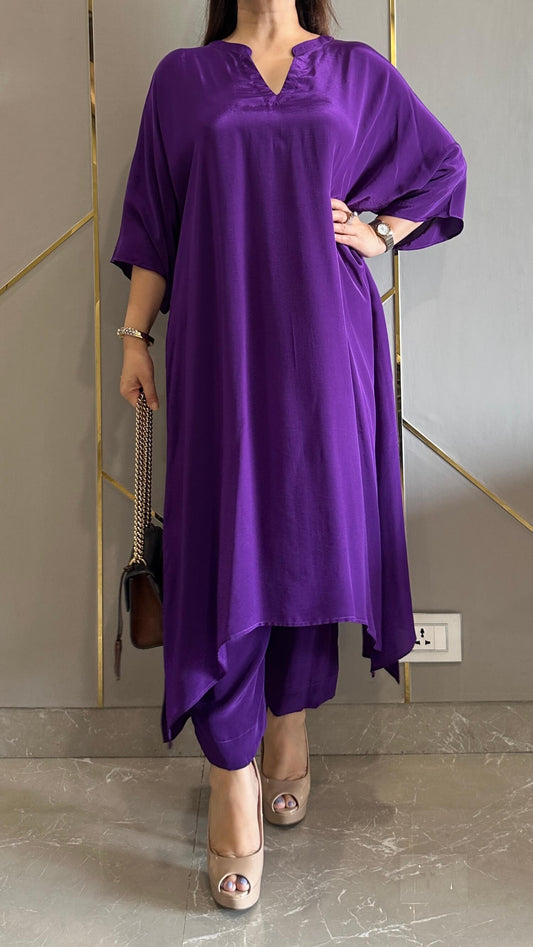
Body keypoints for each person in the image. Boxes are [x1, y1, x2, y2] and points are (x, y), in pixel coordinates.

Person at [110, 0, 467, 912]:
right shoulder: (183, 79)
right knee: (225, 548)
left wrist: (380, 232)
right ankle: (231, 775)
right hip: (220, 348)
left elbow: (442, 164)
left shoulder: (354, 71)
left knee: (312, 542)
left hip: (328, 344)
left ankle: (290, 722)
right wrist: (134, 335)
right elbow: (155, 217)